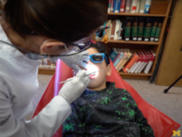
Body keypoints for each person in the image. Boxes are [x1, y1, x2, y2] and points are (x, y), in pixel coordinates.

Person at [0, 0, 108, 137]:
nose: (77, 49)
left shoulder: (18, 17)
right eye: (80, 44)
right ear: (49, 47)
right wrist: (63, 100)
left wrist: (65, 52)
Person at [62, 43, 155, 137]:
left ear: (108, 70)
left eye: (96, 58)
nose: (89, 64)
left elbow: (142, 124)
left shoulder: (124, 94)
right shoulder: (75, 102)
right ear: (76, 74)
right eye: (83, 61)